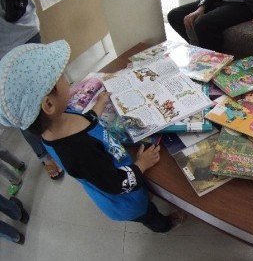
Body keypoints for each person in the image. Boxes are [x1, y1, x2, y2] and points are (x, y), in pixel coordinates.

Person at [0, 41, 184, 232]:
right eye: (61, 77)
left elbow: (85, 121)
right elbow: (116, 183)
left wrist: (99, 106)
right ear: (48, 104)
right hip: (126, 200)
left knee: (144, 193)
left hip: (115, 171)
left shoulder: (55, 122)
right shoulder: (78, 151)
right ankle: (164, 225)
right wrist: (142, 164)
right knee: (149, 214)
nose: (67, 80)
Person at [0, 0, 63, 180]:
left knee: (49, 90)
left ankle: (62, 134)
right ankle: (44, 154)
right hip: (2, 53)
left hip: (26, 31)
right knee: (23, 112)